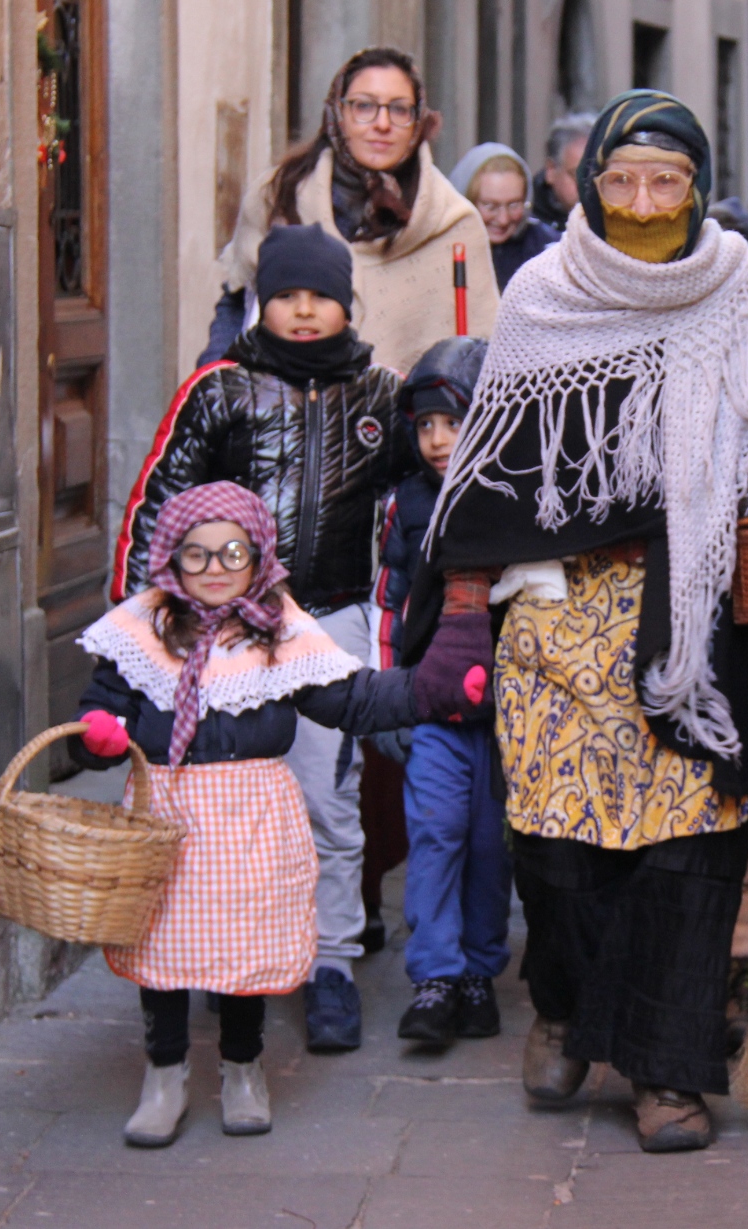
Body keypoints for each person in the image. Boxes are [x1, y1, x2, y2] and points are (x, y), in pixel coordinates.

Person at [421, 90, 748, 1153]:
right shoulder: (542, 294)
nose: (645, 200)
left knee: (689, 856)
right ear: (588, 184)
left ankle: (665, 1072)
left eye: (667, 180)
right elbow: (495, 475)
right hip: (558, 623)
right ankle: (563, 1007)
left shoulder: (742, 286)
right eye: (623, 180)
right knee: (557, 851)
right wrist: (464, 619)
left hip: (693, 622)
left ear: (698, 185)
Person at [70, 482, 490, 1147]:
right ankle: (165, 1074)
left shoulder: (278, 629)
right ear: (172, 558)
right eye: (196, 554)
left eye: (230, 552)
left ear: (257, 555)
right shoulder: (140, 627)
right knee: (159, 944)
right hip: (162, 813)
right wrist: (95, 731)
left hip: (250, 815)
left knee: (242, 948)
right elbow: (103, 706)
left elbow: (354, 700)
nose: (213, 568)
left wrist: (433, 688)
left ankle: (243, 1069)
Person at [115, 223, 403, 1055]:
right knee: (217, 797)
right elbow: (161, 501)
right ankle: (217, 946)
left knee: (326, 796)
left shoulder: (380, 394)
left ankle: (333, 963)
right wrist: (144, 624)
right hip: (228, 620)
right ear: (262, 301)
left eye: (320, 295)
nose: (304, 310)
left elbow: (418, 499)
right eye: (286, 295)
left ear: (345, 301)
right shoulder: (222, 391)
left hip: (333, 617)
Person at [372, 336, 513, 1046]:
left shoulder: (517, 494)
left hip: (505, 716)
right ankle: (434, 976)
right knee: (435, 834)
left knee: (491, 845)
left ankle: (480, 970)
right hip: (431, 707)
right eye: (424, 425)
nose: (436, 440)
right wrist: (394, 695)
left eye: (452, 423)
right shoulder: (406, 504)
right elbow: (390, 603)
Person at [210, 47, 499, 373]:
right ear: (338, 113)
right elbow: (237, 301)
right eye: (364, 106)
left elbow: (483, 356)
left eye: (400, 110)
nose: (382, 123)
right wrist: (212, 386)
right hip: (285, 415)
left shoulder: (454, 224)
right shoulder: (278, 196)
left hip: (407, 420)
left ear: (417, 121)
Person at [448, 143, 560, 291]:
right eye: (490, 206)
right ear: (466, 201)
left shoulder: (549, 250)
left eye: (514, 205)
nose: (503, 219)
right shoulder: (442, 250)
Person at [530, 110, 596, 227]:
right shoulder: (524, 226)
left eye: (596, 175)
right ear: (551, 170)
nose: (588, 187)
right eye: (578, 176)